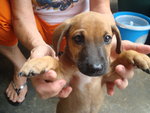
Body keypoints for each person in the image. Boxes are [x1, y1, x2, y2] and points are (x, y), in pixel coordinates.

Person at [0, 0, 150, 105]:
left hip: (83, 23)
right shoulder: (66, 53)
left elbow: (101, 6)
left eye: (107, 38)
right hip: (50, 26)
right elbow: (22, 17)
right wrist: (42, 50)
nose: (96, 64)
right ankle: (21, 66)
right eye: (79, 39)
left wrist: (127, 55)